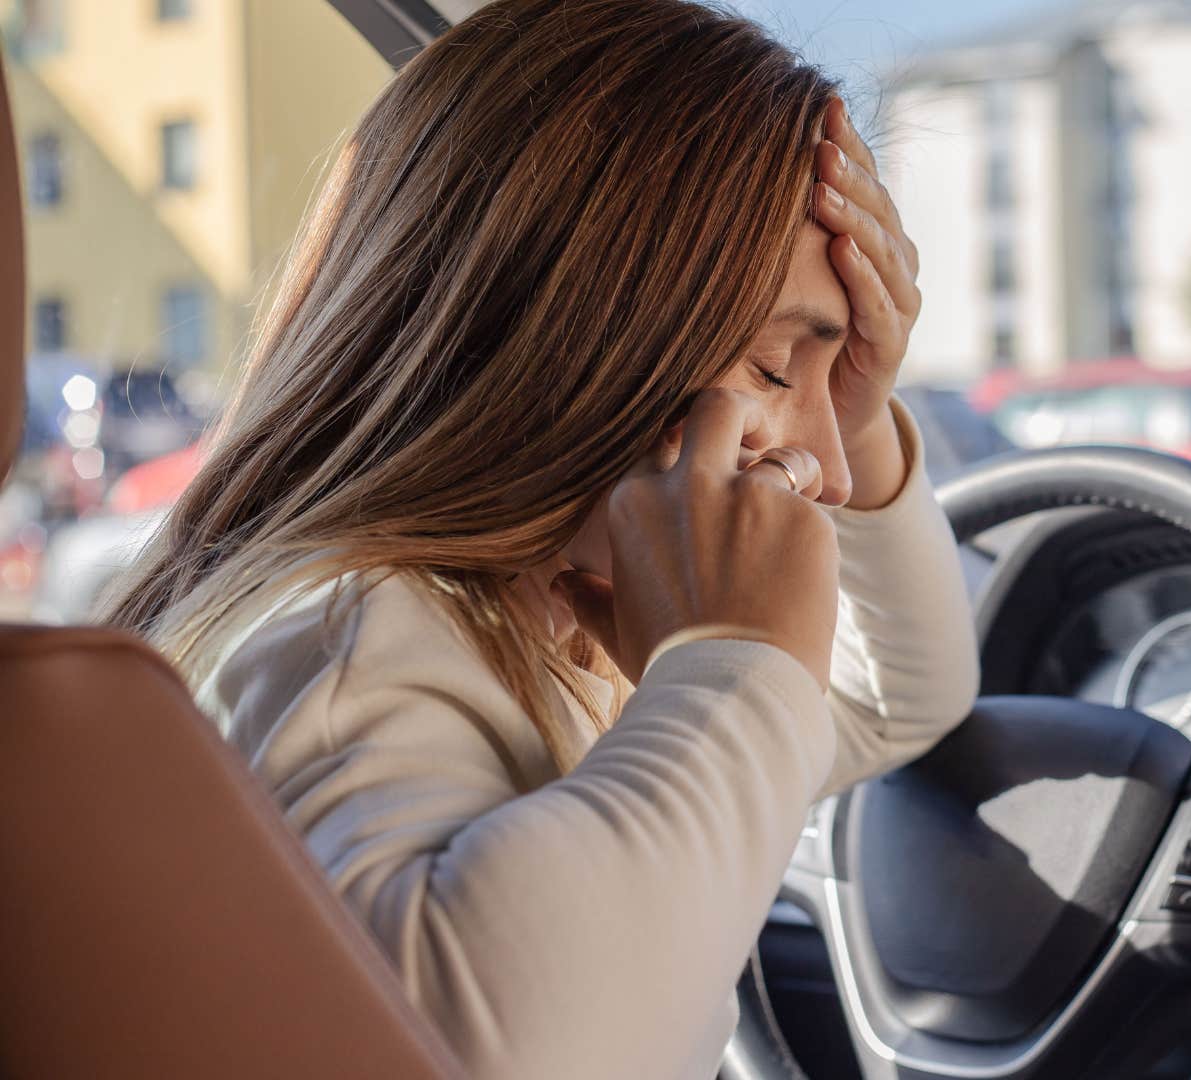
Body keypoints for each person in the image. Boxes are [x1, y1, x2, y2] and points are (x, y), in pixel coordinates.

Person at [104, 1, 978, 1077]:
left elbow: (901, 697)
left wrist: (853, 417)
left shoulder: (548, 618)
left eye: (831, 391)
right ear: (581, 347)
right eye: (769, 370)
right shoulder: (357, 643)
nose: (830, 477)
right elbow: (483, 1047)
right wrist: (731, 663)